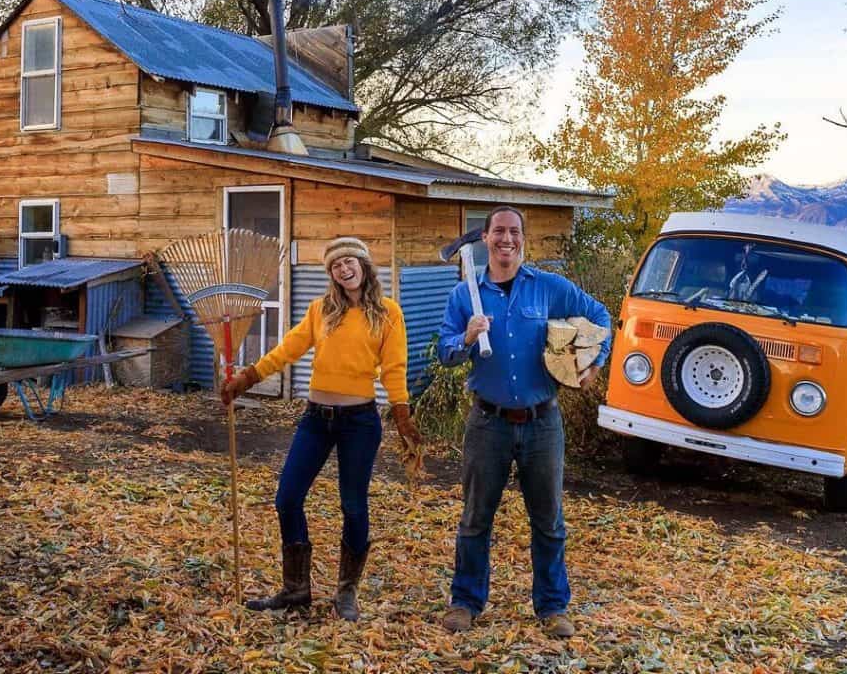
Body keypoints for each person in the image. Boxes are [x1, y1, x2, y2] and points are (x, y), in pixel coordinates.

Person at [221, 236, 421, 621]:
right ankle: (296, 590)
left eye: (349, 261)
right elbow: (288, 350)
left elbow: (394, 368)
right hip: (316, 418)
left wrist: (402, 414)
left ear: (363, 265)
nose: (343, 269)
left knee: (353, 504)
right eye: (335, 265)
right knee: (288, 497)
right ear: (330, 274)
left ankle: (346, 592)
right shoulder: (320, 311)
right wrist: (247, 377)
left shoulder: (388, 313)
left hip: (359, 422)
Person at [436, 206, 612, 638]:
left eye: (514, 232)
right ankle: (466, 601)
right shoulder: (465, 296)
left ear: (522, 239)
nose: (506, 239)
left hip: (542, 422)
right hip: (487, 422)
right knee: (476, 518)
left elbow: (602, 318)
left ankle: (552, 607)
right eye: (499, 231)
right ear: (486, 238)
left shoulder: (548, 288)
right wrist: (468, 338)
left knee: (548, 520)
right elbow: (445, 353)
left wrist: (591, 364)